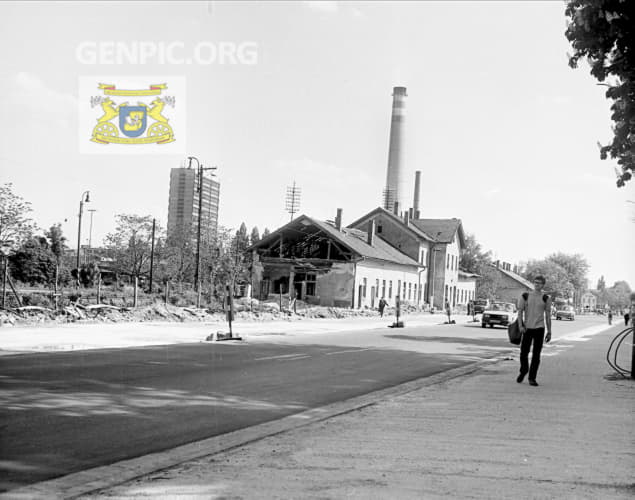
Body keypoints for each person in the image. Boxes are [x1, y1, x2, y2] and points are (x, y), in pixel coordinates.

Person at [517, 275, 552, 387]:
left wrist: (549, 331)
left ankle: (532, 378)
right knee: (524, 353)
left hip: (539, 328)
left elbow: (548, 316)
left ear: (543, 285)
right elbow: (520, 312)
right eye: (535, 282)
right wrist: (520, 326)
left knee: (536, 355)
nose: (537, 284)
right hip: (527, 328)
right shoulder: (525, 295)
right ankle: (524, 370)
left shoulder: (546, 298)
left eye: (539, 283)